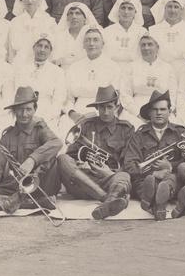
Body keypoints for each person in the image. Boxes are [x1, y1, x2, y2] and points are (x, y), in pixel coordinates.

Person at [0, 86, 62, 213]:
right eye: (20, 110)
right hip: (17, 185)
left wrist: (32, 160)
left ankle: (15, 201)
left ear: (35, 110)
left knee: (51, 158)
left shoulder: (40, 129)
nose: (24, 114)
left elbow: (56, 143)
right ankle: (33, 203)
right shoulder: (7, 136)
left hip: (42, 184)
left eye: (28, 109)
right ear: (14, 111)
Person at [57, 85, 133, 220]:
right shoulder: (86, 125)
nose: (105, 112)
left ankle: (109, 200)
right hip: (82, 181)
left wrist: (110, 173)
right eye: (101, 107)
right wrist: (80, 163)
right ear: (96, 108)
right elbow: (71, 155)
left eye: (109, 107)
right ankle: (108, 200)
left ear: (116, 106)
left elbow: (129, 161)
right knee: (62, 159)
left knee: (125, 176)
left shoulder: (126, 129)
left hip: (108, 179)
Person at [120, 90, 185, 220]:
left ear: (169, 111)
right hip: (146, 179)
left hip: (171, 177)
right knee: (144, 184)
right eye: (155, 110)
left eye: (163, 109)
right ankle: (161, 204)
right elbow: (130, 164)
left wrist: (170, 166)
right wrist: (153, 173)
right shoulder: (139, 135)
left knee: (173, 179)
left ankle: (154, 203)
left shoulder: (180, 133)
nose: (159, 113)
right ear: (150, 113)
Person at [62, 27, 123, 135]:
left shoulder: (113, 67)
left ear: (103, 44)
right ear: (83, 45)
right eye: (87, 40)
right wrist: (72, 113)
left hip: (104, 112)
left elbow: (114, 98)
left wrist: (93, 114)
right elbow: (67, 98)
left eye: (95, 40)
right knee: (64, 129)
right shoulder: (74, 67)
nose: (91, 43)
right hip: (77, 112)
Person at [12, 32, 66, 133]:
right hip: (23, 111)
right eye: (39, 46)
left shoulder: (58, 72)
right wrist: (25, 114)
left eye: (46, 47)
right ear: (33, 48)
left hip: (48, 113)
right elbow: (16, 93)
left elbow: (59, 99)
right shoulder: (22, 69)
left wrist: (46, 117)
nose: (42, 50)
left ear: (50, 51)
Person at [122, 32, 180, 124]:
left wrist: (165, 112)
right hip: (136, 108)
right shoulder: (131, 67)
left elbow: (172, 94)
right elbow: (125, 94)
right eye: (143, 45)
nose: (146, 48)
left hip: (161, 108)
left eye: (150, 44)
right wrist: (138, 114)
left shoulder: (167, 67)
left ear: (157, 47)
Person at [6, 0, 58, 64]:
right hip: (19, 65)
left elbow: (54, 49)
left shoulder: (49, 21)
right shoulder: (15, 22)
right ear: (21, 0)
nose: (30, 0)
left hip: (43, 66)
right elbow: (11, 51)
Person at [147, 0, 185, 68]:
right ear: (164, 8)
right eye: (169, 6)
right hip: (159, 69)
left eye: (176, 7)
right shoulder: (153, 30)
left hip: (183, 70)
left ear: (182, 10)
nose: (172, 10)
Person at [103, 0, 145, 70]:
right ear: (118, 10)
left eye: (130, 8)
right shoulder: (107, 31)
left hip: (135, 71)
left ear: (136, 11)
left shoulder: (142, 32)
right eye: (123, 8)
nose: (126, 12)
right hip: (112, 69)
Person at [52, 2, 100, 68]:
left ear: (85, 18)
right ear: (67, 18)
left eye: (78, 13)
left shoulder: (92, 37)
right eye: (71, 13)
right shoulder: (58, 36)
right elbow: (54, 60)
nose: (74, 17)